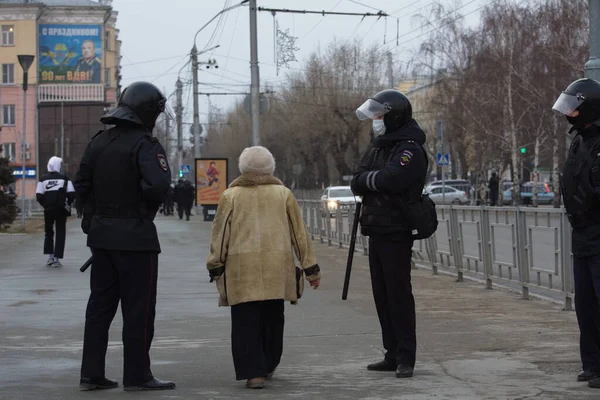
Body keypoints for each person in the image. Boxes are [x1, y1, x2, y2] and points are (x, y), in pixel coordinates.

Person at [74, 81, 175, 392]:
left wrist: (93, 220)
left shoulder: (99, 142)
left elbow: (81, 184)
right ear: (148, 112)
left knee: (99, 308)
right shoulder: (146, 145)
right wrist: (142, 210)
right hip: (136, 241)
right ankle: (138, 375)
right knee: (139, 310)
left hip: (102, 239)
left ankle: (91, 374)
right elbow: (158, 186)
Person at [206, 146, 321, 390]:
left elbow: (220, 234)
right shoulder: (283, 194)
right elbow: (299, 234)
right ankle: (268, 364)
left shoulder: (231, 196)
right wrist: (311, 269)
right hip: (276, 269)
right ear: (271, 167)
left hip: (241, 271)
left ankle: (253, 373)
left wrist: (215, 264)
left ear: (242, 168)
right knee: (273, 318)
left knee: (244, 321)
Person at [350, 89, 428, 378]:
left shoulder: (409, 148)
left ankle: (406, 356)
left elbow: (392, 178)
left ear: (393, 115)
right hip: (376, 229)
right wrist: (373, 182)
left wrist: (371, 181)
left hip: (397, 229)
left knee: (398, 295)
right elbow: (357, 180)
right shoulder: (380, 147)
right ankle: (391, 353)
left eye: (380, 115)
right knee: (382, 296)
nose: (376, 121)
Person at [553, 77, 600, 389]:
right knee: (586, 305)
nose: (569, 113)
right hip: (582, 232)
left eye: (574, 108)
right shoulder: (579, 139)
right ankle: (592, 365)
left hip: (598, 232)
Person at [36, 156, 75, 268]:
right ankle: (57, 258)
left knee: (48, 232)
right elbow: (72, 193)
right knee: (60, 232)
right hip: (61, 210)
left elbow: (39, 195)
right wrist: (67, 202)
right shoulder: (64, 178)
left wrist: (46, 204)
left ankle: (50, 256)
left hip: (48, 210)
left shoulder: (42, 179)